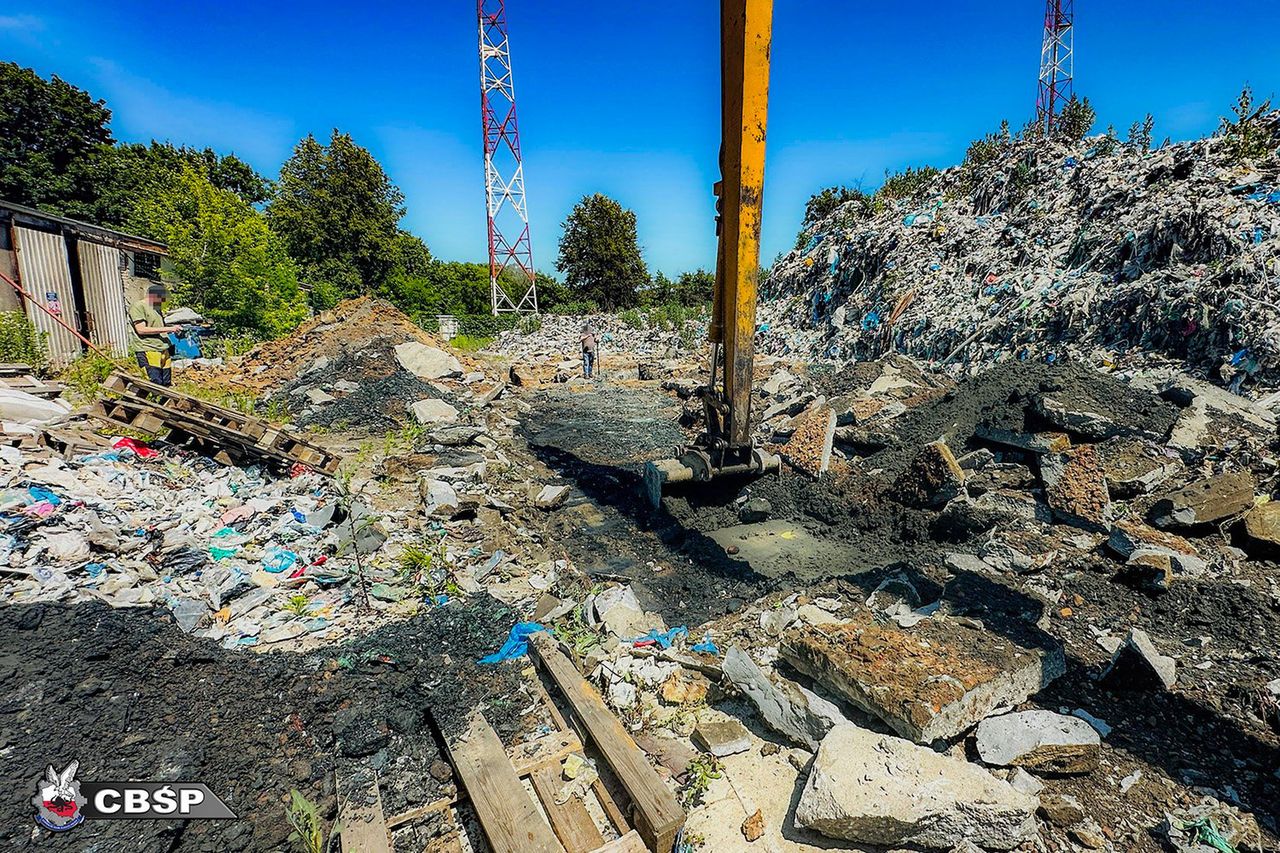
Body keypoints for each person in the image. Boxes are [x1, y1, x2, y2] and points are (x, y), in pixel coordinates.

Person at [129, 284, 181, 386]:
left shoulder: (157, 308)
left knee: (166, 383)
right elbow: (141, 330)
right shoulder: (139, 306)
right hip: (149, 348)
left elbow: (158, 327)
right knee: (153, 383)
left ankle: (163, 402)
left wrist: (173, 329)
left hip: (163, 348)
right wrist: (169, 328)